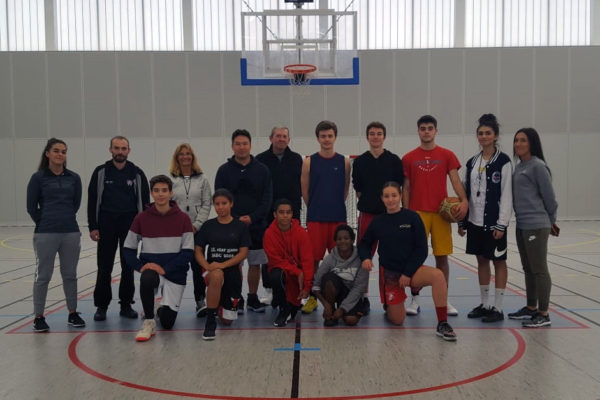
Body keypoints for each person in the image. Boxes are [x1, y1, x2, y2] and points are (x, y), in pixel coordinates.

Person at [359, 182, 457, 341]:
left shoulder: (412, 217)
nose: (390, 200)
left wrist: (407, 273)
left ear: (400, 197)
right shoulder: (378, 221)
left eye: (394, 196)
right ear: (382, 199)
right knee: (398, 320)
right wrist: (366, 258)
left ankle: (443, 323)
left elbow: (421, 249)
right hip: (391, 275)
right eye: (386, 196)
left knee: (438, 276)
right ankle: (390, 304)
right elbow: (365, 243)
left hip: (411, 272)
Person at [402, 115, 468, 316]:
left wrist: (464, 201)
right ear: (418, 131)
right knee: (415, 258)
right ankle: (414, 300)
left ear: (436, 131)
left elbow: (456, 181)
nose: (426, 131)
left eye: (430, 128)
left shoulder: (447, 155)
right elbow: (406, 188)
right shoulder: (408, 158)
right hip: (417, 214)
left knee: (442, 258)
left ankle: (443, 300)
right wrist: (405, 214)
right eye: (423, 128)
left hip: (441, 214)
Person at [122, 175, 194, 342]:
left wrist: (166, 269)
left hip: (175, 273)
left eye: (164, 190)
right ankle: (149, 322)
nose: (160, 194)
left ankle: (159, 307)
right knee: (147, 277)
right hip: (153, 271)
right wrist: (141, 266)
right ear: (152, 193)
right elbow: (128, 248)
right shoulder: (141, 218)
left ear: (170, 193)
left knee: (168, 323)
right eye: (156, 191)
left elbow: (188, 252)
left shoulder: (183, 218)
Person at [26, 138, 85, 332]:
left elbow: (75, 204)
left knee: (70, 275)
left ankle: (73, 313)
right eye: (57, 151)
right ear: (48, 153)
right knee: (43, 276)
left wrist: (65, 219)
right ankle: (39, 316)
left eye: (64, 151)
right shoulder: (38, 178)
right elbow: (31, 207)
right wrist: (45, 222)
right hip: (46, 233)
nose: (61, 154)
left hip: (70, 232)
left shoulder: (74, 178)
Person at [88, 136, 150, 321]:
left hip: (130, 227)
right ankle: (101, 306)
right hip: (106, 226)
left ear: (128, 151)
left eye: (123, 148)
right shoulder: (101, 172)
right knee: (104, 267)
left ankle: (125, 304)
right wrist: (93, 226)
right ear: (110, 150)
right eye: (117, 148)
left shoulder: (137, 173)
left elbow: (145, 203)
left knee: (127, 267)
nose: (120, 152)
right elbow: (92, 201)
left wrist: (143, 228)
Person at [458, 114, 512, 323]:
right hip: (475, 221)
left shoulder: (504, 161)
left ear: (495, 136)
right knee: (481, 260)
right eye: (480, 133)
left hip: (494, 222)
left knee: (499, 261)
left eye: (488, 133)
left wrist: (502, 223)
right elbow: (466, 193)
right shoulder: (472, 162)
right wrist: (463, 221)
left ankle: (497, 308)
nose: (483, 137)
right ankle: (485, 304)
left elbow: (507, 194)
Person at [215, 129, 272, 313]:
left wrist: (253, 217)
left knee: (255, 263)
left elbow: (267, 197)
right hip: (232, 226)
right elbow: (220, 197)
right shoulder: (224, 171)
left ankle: (253, 297)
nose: (241, 147)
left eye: (244, 144)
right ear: (232, 146)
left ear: (250, 146)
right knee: (234, 264)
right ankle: (235, 298)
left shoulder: (262, 170)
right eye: (238, 144)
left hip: (257, 225)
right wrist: (236, 219)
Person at [508, 128, 559, 328]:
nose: (518, 144)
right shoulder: (520, 166)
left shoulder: (538, 166)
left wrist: (551, 221)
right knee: (528, 268)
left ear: (532, 143)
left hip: (537, 225)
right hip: (522, 225)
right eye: (516, 140)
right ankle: (531, 308)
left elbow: (550, 198)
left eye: (523, 140)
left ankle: (544, 313)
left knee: (539, 269)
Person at [352, 121, 404, 314]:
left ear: (384, 136)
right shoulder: (360, 162)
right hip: (368, 216)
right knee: (363, 258)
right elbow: (358, 191)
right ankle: (362, 297)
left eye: (379, 133)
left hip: (390, 217)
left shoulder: (394, 160)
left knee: (389, 259)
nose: (375, 136)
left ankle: (388, 297)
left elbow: (399, 188)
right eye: (372, 133)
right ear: (367, 137)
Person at [300, 120, 351, 314]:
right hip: (316, 218)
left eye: (330, 136)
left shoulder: (344, 161)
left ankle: (339, 297)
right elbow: (304, 191)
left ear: (335, 137)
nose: (327, 139)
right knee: (313, 260)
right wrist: (315, 206)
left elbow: (345, 189)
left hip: (337, 217)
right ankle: (313, 297)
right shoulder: (309, 161)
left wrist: (334, 205)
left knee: (339, 259)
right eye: (323, 136)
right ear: (318, 138)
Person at [195, 189, 251, 340]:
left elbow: (243, 253)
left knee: (227, 322)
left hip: (232, 272)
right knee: (217, 275)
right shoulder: (208, 226)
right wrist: (207, 266)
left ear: (231, 204)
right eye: (217, 204)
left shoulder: (240, 226)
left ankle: (219, 304)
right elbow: (198, 250)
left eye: (224, 203)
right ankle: (210, 321)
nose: (220, 207)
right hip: (212, 271)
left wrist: (223, 264)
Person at [256, 126, 303, 307]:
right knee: (269, 253)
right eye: (278, 136)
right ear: (271, 138)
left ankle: (294, 289)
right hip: (268, 214)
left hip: (291, 213)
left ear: (289, 140)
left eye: (284, 136)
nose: (281, 139)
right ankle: (269, 290)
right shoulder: (261, 160)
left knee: (292, 252)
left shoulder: (296, 159)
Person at [169, 143, 212, 317]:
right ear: (177, 157)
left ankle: (200, 301)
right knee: (176, 266)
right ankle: (170, 302)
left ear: (192, 157)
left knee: (197, 267)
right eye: (182, 154)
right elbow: (168, 205)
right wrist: (180, 226)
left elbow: (206, 204)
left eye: (188, 154)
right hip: (177, 231)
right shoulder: (171, 180)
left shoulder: (202, 179)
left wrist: (196, 225)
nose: (185, 157)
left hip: (197, 230)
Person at [263, 199, 314, 327]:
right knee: (275, 274)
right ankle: (283, 308)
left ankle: (291, 304)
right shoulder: (269, 234)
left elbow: (307, 261)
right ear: (275, 214)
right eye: (281, 212)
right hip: (285, 272)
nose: (285, 215)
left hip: (298, 278)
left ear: (292, 214)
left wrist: (307, 287)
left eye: (288, 212)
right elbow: (275, 260)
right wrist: (297, 272)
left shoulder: (302, 233)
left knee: (294, 309)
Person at [313, 224, 369, 327]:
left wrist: (342, 309)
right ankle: (331, 312)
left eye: (346, 238)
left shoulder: (361, 258)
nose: (343, 241)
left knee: (351, 320)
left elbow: (358, 288)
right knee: (328, 279)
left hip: (351, 294)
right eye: (339, 239)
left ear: (352, 240)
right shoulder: (330, 258)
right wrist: (326, 305)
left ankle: (340, 312)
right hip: (335, 291)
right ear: (335, 241)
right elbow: (316, 285)